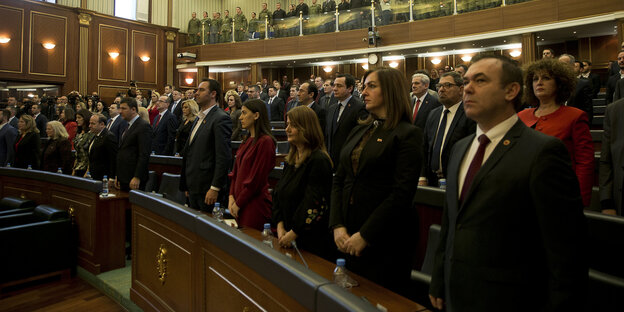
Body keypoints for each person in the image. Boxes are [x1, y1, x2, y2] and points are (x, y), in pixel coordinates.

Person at [429, 54, 587, 312]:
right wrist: (439, 278)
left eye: (480, 80)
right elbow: (451, 223)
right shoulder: (460, 148)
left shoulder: (543, 151)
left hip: (512, 298)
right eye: (467, 81)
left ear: (511, 90)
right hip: (457, 291)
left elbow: (566, 250)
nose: (467, 88)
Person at [329, 67, 423, 295]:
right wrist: (337, 225)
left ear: (390, 91)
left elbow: (401, 193)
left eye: (372, 86)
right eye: (364, 86)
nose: (364, 91)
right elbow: (339, 180)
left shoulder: (407, 133)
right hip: (348, 232)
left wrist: (366, 235)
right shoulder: (360, 130)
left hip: (384, 238)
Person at [518, 59, 594, 207]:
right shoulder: (522, 116)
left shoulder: (575, 116)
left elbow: (585, 163)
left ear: (560, 83)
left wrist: (580, 200)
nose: (539, 82)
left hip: (560, 194)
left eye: (546, 78)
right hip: (525, 194)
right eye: (535, 79)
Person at [272, 106, 333, 259]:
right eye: (287, 124)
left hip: (309, 241)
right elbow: (278, 194)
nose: (287, 129)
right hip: (285, 235)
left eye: (292, 125)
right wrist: (280, 227)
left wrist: (293, 233)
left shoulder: (319, 160)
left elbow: (314, 203)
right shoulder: (291, 160)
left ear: (306, 127)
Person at [180, 79, 232, 211]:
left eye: (201, 90)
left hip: (208, 188)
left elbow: (223, 156)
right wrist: (186, 184)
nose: (196, 93)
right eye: (197, 90)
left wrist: (215, 187)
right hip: (194, 185)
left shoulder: (220, 118)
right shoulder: (199, 117)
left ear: (213, 94)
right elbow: (190, 152)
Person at [229, 99, 276, 230]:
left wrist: (238, 203)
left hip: (253, 204)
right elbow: (235, 173)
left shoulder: (265, 142)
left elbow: (256, 180)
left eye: (244, 113)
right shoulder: (247, 141)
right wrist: (231, 196)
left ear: (256, 115)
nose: (240, 117)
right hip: (239, 202)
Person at [325, 73, 367, 167]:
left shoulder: (360, 108)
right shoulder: (332, 108)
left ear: (350, 88)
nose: (334, 88)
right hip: (332, 162)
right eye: (334, 85)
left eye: (339, 86)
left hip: (349, 163)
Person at [115, 97, 152, 191]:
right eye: (120, 108)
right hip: (124, 176)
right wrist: (118, 176)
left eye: (124, 108)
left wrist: (137, 177)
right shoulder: (127, 125)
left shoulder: (143, 126)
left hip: (134, 178)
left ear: (133, 109)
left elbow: (144, 154)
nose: (120, 111)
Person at [88, 114, 118, 181]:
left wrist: (112, 178)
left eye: (93, 124)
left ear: (102, 124)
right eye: (90, 123)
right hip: (94, 175)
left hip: (103, 177)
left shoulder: (109, 137)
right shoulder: (95, 135)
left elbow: (113, 158)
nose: (89, 126)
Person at [72, 109, 94, 177]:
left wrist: (88, 171)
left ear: (85, 118)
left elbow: (90, 155)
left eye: (79, 118)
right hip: (77, 166)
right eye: (76, 118)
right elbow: (77, 153)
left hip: (86, 168)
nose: (77, 120)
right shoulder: (79, 133)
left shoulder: (91, 133)